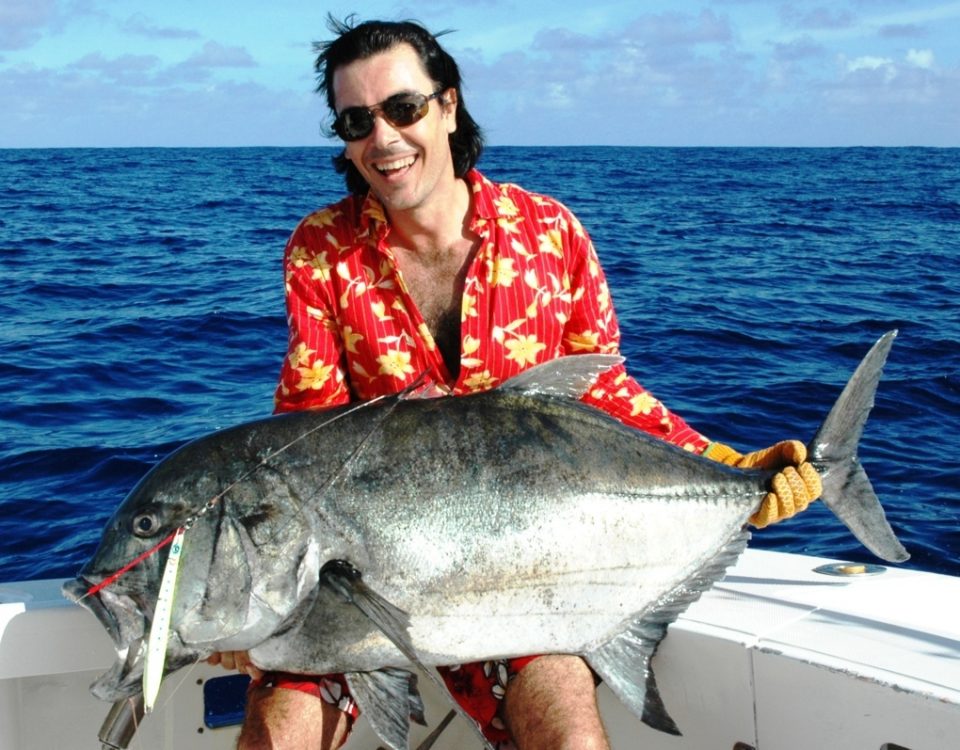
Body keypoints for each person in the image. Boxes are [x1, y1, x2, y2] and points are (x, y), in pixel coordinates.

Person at [210, 16, 822, 750]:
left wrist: (729, 469)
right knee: (275, 735)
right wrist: (233, 602)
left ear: (448, 105)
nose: (383, 138)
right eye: (356, 119)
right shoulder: (321, 251)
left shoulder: (549, 234)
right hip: (356, 577)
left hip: (511, 573)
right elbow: (303, 431)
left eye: (403, 108)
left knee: (566, 727)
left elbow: (604, 393)